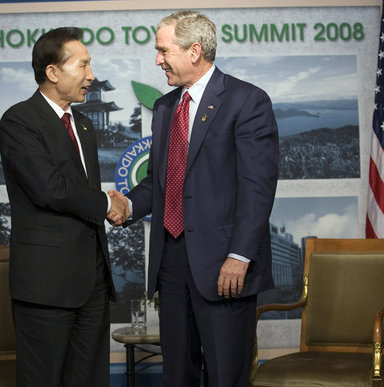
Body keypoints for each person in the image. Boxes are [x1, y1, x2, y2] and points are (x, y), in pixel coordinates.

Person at [110, 10, 279, 387]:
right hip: (171, 263)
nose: (157, 60)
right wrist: (128, 206)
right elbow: (159, 181)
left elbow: (258, 188)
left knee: (225, 377)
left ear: (194, 50)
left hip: (224, 266)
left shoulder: (247, 101)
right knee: (177, 376)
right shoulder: (166, 107)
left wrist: (239, 257)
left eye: (163, 50)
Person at [0, 27, 128, 387]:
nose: (91, 76)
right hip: (46, 285)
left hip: (92, 281)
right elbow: (49, 189)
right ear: (53, 72)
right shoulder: (19, 120)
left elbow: (79, 191)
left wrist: (107, 204)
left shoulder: (84, 125)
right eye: (83, 65)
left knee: (90, 379)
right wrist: (106, 203)